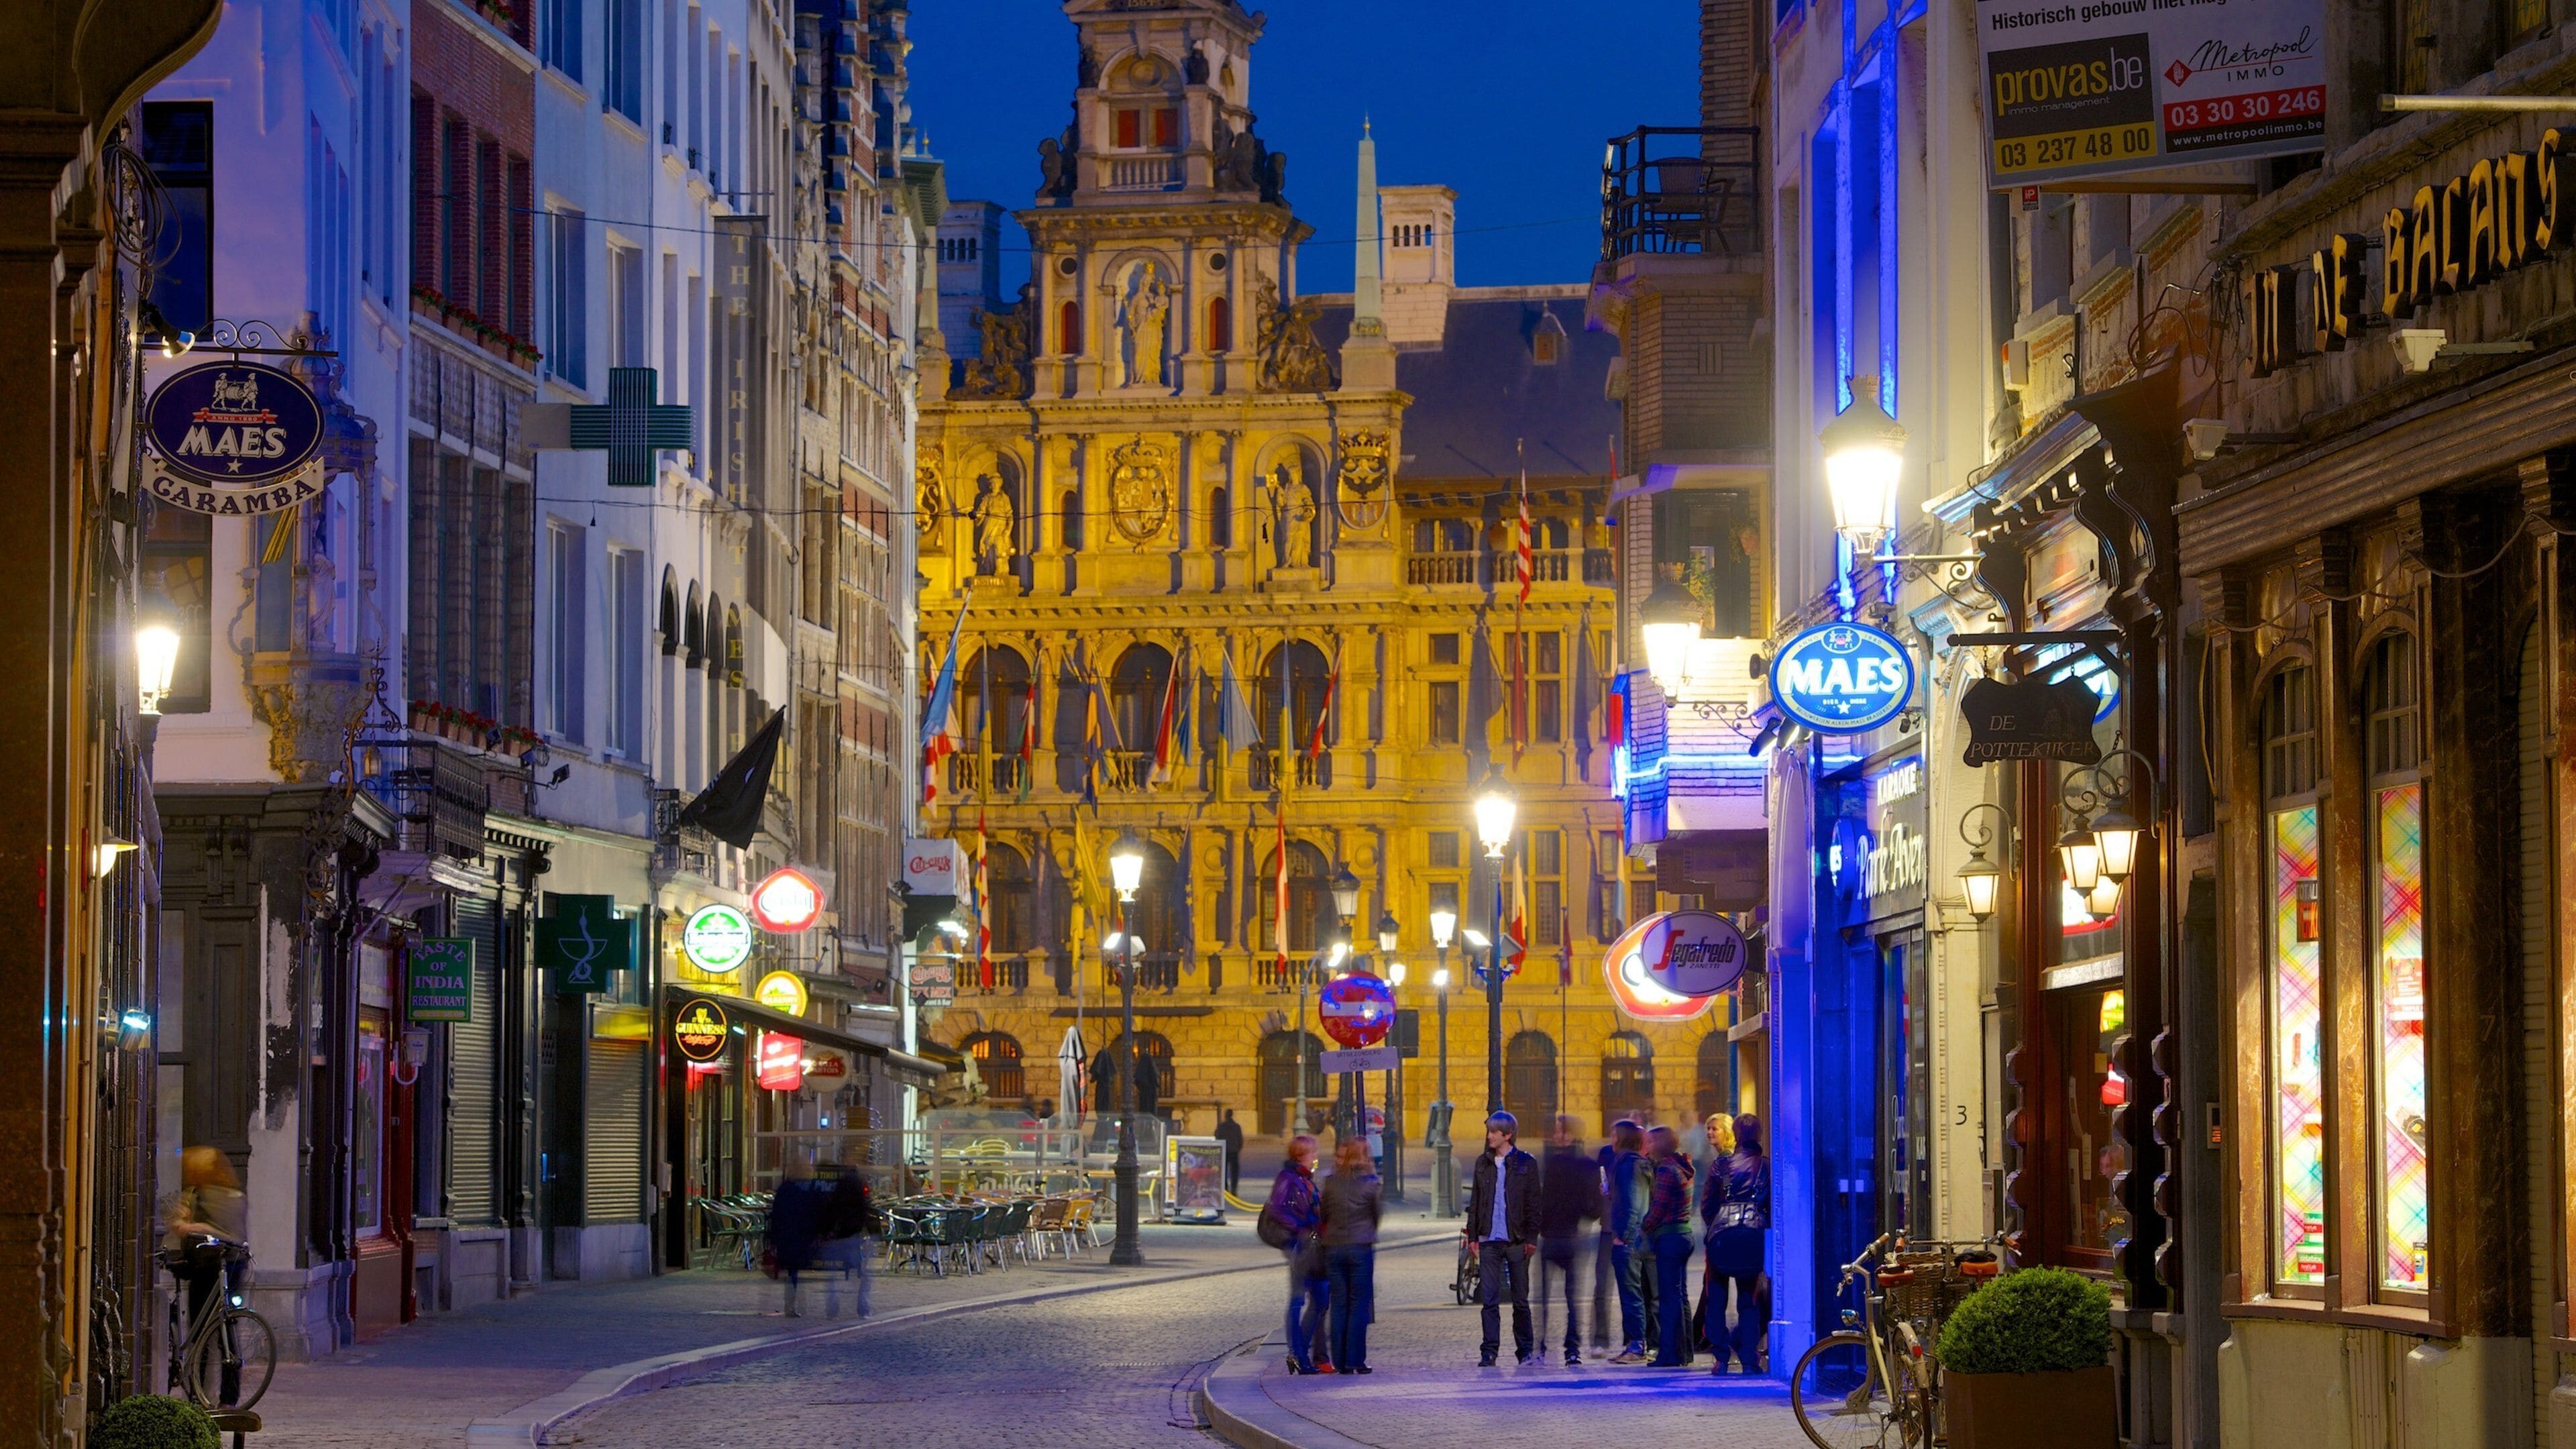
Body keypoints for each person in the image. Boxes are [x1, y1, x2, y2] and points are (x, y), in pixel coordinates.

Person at [160, 1146, 250, 1403]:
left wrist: (192, 1227)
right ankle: (225, 1397)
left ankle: (199, 1395)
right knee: (224, 1332)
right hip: (229, 1265)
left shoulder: (203, 1195)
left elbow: (185, 1226)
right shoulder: (233, 1195)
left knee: (205, 1332)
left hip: (210, 1267)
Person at [1463, 1110, 1540, 1366]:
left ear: (1507, 1135)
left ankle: (1525, 1350)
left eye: (1494, 1132)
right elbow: (1475, 1202)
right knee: (1490, 1300)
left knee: (1520, 1299)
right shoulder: (1482, 1163)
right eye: (1489, 1132)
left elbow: (1533, 1205)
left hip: (1516, 1240)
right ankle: (1489, 1351)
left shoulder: (1526, 1164)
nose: (1489, 1136)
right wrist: (1472, 1235)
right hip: (1488, 1240)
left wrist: (1531, 1238)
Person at [1704, 1113, 1772, 1375]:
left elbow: (1707, 1205)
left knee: (1716, 1300)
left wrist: (1716, 1229)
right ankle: (1748, 1359)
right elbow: (1772, 1205)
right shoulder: (1765, 1166)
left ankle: (1721, 1359)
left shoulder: (1721, 1166)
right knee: (1749, 1300)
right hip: (1752, 1238)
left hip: (1721, 1240)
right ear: (1758, 1135)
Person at [1536, 1114, 1602, 1365]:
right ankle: (1572, 1349)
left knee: (1543, 1298)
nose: (1555, 1136)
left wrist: (1541, 1226)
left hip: (1552, 1236)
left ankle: (1540, 1347)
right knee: (1572, 1298)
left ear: (1570, 1135)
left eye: (1559, 1132)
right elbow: (1594, 1206)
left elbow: (1545, 1201)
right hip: (1574, 1236)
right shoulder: (1587, 1165)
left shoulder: (1553, 1163)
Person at [1320, 1135, 1383, 1374]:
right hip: (1360, 1247)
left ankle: (1340, 1361)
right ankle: (1356, 1359)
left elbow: (1323, 1213)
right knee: (1358, 1305)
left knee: (1338, 1304)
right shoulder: (1371, 1183)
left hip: (1334, 1247)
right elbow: (1376, 1215)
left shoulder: (1331, 1182)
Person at [1270, 1134, 1332, 1374]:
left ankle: (1300, 1351)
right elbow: (1277, 1210)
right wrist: (1302, 1227)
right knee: (1298, 1299)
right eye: (1312, 1152)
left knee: (1320, 1298)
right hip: (1298, 1245)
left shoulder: (1305, 1178)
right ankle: (1297, 1354)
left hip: (1311, 1246)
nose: (1316, 1156)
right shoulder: (1288, 1178)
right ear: (1301, 1155)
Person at [1640, 1124, 1698, 1367]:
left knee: (1669, 1298)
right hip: (1684, 1235)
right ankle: (1685, 1352)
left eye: (1651, 1142)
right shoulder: (1682, 1166)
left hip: (1670, 1238)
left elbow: (1658, 1209)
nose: (1648, 1146)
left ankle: (1670, 1355)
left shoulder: (1666, 1170)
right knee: (1680, 1296)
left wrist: (1644, 1226)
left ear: (1660, 1145)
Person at [1604, 1120, 1652, 1363]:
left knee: (1631, 1294)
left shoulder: (1627, 1165)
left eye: (1614, 1135)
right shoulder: (1637, 1164)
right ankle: (1638, 1343)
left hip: (1629, 1240)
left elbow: (1633, 1204)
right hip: (1641, 1238)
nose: (1611, 1139)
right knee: (1639, 1293)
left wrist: (1623, 1237)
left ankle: (1636, 1345)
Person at [1691, 1112, 1737, 1352]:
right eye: (1708, 1128)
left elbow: (1716, 1198)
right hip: (1723, 1230)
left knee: (1714, 1285)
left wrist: (1712, 1225)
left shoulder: (1724, 1161)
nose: (1710, 1133)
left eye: (1715, 1129)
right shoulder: (1723, 1159)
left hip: (1721, 1231)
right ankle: (1704, 1332)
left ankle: (1709, 1336)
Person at [814, 1163, 875, 1320]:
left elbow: (829, 1213)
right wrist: (872, 1232)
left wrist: (825, 1232)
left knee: (833, 1276)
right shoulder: (857, 1193)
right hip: (852, 1237)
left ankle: (832, 1306)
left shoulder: (836, 1193)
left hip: (836, 1237)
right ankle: (863, 1308)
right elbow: (864, 1213)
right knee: (862, 1273)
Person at [767, 1160, 824, 1317]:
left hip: (788, 1235)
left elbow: (777, 1216)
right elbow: (811, 1214)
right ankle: (792, 1305)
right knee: (794, 1270)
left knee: (793, 1271)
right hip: (798, 1236)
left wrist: (773, 1240)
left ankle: (792, 1304)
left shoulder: (785, 1189)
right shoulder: (805, 1190)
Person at [1216, 1108, 1246, 1196]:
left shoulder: (1221, 1126)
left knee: (1223, 1171)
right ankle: (1234, 1188)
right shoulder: (1237, 1126)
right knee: (1235, 1171)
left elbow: (1217, 1137)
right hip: (1234, 1151)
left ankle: (1225, 1188)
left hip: (1224, 1150)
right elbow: (1240, 1140)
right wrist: (1238, 1148)